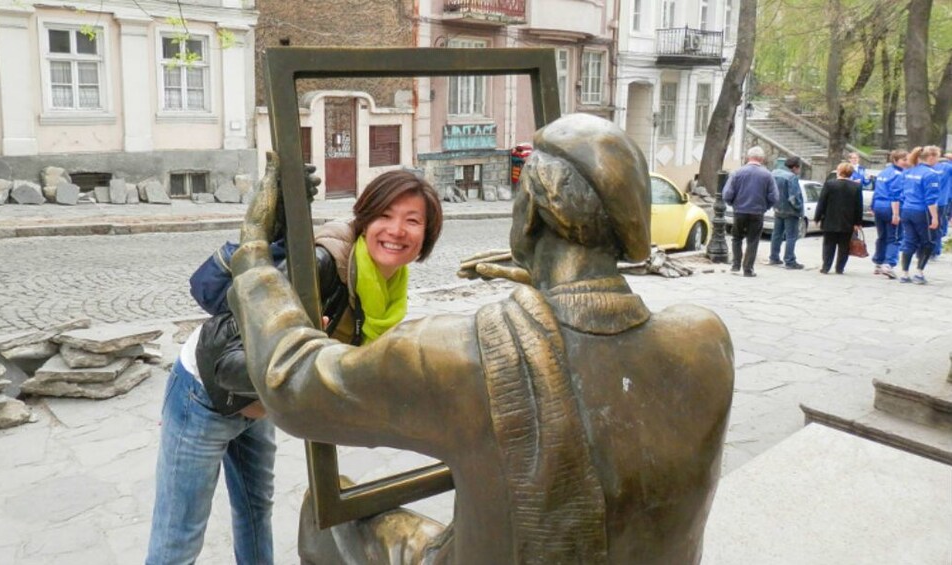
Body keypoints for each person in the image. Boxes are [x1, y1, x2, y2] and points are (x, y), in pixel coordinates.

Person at [228, 113, 734, 564]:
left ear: (531, 211)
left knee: (326, 512)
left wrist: (252, 254)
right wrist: (541, 277)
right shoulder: (706, 341)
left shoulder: (460, 356)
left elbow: (291, 381)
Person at [145, 167, 444, 564]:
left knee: (255, 515)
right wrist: (299, 347)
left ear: (428, 234)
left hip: (261, 404)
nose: (396, 230)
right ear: (364, 219)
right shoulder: (322, 266)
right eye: (385, 216)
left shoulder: (389, 287)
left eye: (412, 221)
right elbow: (236, 349)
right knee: (180, 538)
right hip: (205, 395)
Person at [724, 146, 778, 277]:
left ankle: (736, 264)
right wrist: (765, 206)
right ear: (762, 159)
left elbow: (727, 194)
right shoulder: (767, 175)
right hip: (757, 212)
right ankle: (748, 268)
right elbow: (774, 197)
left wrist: (733, 204)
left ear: (748, 157)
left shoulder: (737, 173)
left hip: (740, 211)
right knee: (753, 240)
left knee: (736, 237)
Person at [897, 146, 942, 284]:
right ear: (931, 157)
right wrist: (934, 217)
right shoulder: (931, 174)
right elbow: (931, 199)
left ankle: (904, 273)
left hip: (906, 209)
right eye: (937, 157)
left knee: (909, 241)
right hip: (922, 211)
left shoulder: (908, 172)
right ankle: (919, 272)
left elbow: (902, 192)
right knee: (929, 241)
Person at [815, 162, 864, 274]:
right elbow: (858, 206)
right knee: (844, 245)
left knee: (828, 244)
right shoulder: (856, 187)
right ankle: (840, 268)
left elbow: (822, 202)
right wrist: (857, 223)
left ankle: (826, 267)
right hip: (848, 221)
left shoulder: (830, 184)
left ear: (839, 171)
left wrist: (817, 217)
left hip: (830, 219)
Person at [871, 150, 907, 278]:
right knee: (895, 237)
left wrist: (872, 206)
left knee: (882, 236)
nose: (906, 162)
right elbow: (895, 196)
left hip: (878, 206)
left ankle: (878, 263)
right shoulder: (899, 175)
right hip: (891, 207)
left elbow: (876, 190)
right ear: (896, 160)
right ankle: (889, 264)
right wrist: (896, 214)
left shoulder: (884, 172)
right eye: (903, 160)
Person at [767, 156, 805, 269]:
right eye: (799, 168)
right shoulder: (791, 177)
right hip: (790, 211)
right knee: (791, 236)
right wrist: (799, 208)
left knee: (777, 234)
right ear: (795, 167)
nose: (799, 171)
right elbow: (794, 197)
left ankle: (774, 257)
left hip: (778, 208)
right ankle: (789, 260)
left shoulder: (774, 173)